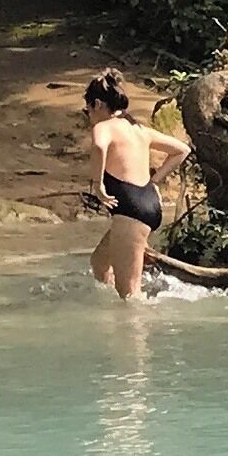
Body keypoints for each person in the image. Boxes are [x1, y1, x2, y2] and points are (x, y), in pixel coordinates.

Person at [82, 71, 193, 299]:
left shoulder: (104, 127)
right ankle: (109, 311)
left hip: (131, 210)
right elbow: (182, 150)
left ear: (98, 104)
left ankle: (138, 318)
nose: (89, 116)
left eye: (88, 110)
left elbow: (99, 146)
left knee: (130, 296)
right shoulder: (138, 129)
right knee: (100, 263)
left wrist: (98, 184)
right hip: (148, 203)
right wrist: (154, 181)